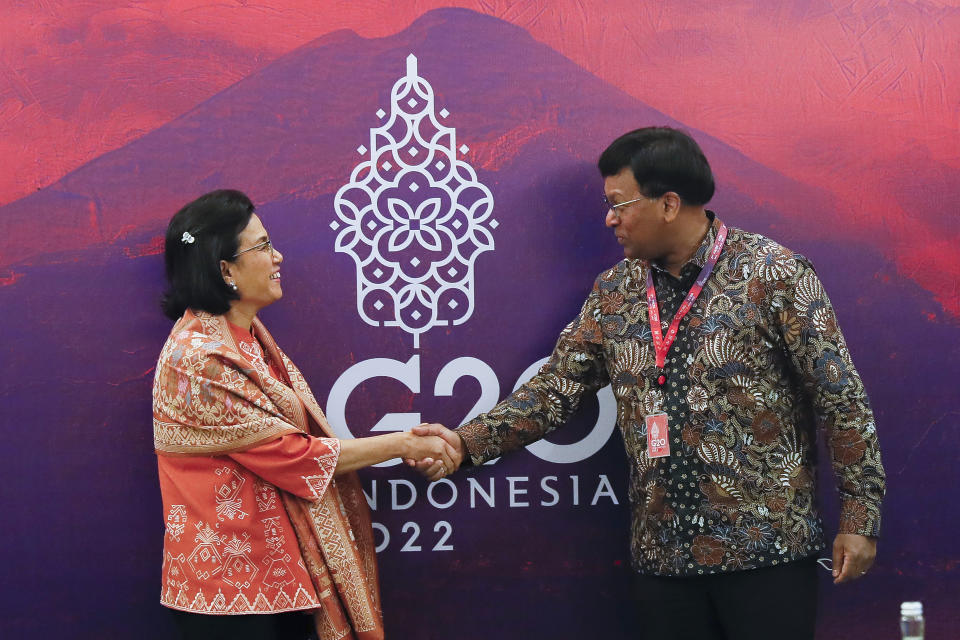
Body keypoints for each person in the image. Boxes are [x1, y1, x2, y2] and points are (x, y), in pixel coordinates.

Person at [411, 128, 886, 639]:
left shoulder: (774, 274)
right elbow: (554, 390)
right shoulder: (615, 292)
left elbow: (840, 398)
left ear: (669, 204)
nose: (609, 218)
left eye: (620, 204)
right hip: (663, 561)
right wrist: (464, 442)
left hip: (767, 553)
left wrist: (859, 517)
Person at [153, 189, 458, 640]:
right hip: (228, 594)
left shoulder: (249, 339)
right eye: (261, 247)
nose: (277, 257)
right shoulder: (199, 358)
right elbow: (294, 457)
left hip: (276, 584)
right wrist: (404, 443)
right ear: (225, 270)